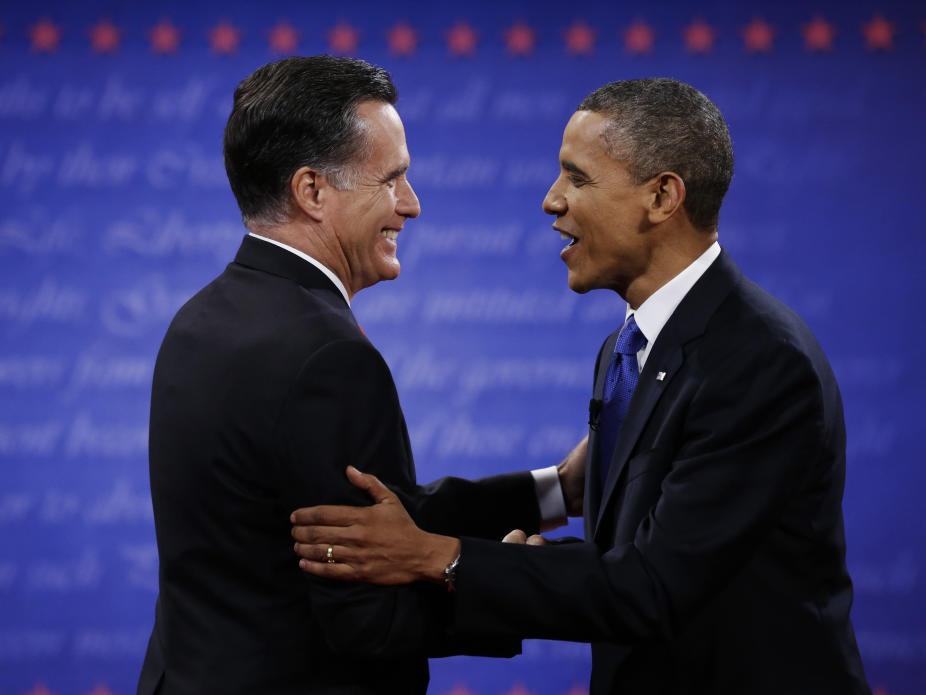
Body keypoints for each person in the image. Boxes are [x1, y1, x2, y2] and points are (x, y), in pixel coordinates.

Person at [291, 78, 872, 694]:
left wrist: (440, 557)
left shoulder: (758, 362)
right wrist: (554, 496)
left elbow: (652, 586)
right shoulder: (630, 350)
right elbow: (620, 540)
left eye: (578, 178)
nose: (551, 200)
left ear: (662, 196)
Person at [138, 55, 582, 695]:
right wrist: (511, 577)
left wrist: (554, 492)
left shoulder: (203, 317)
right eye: (392, 179)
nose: (412, 205)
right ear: (312, 191)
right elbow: (368, 620)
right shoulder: (327, 356)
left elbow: (370, 520)